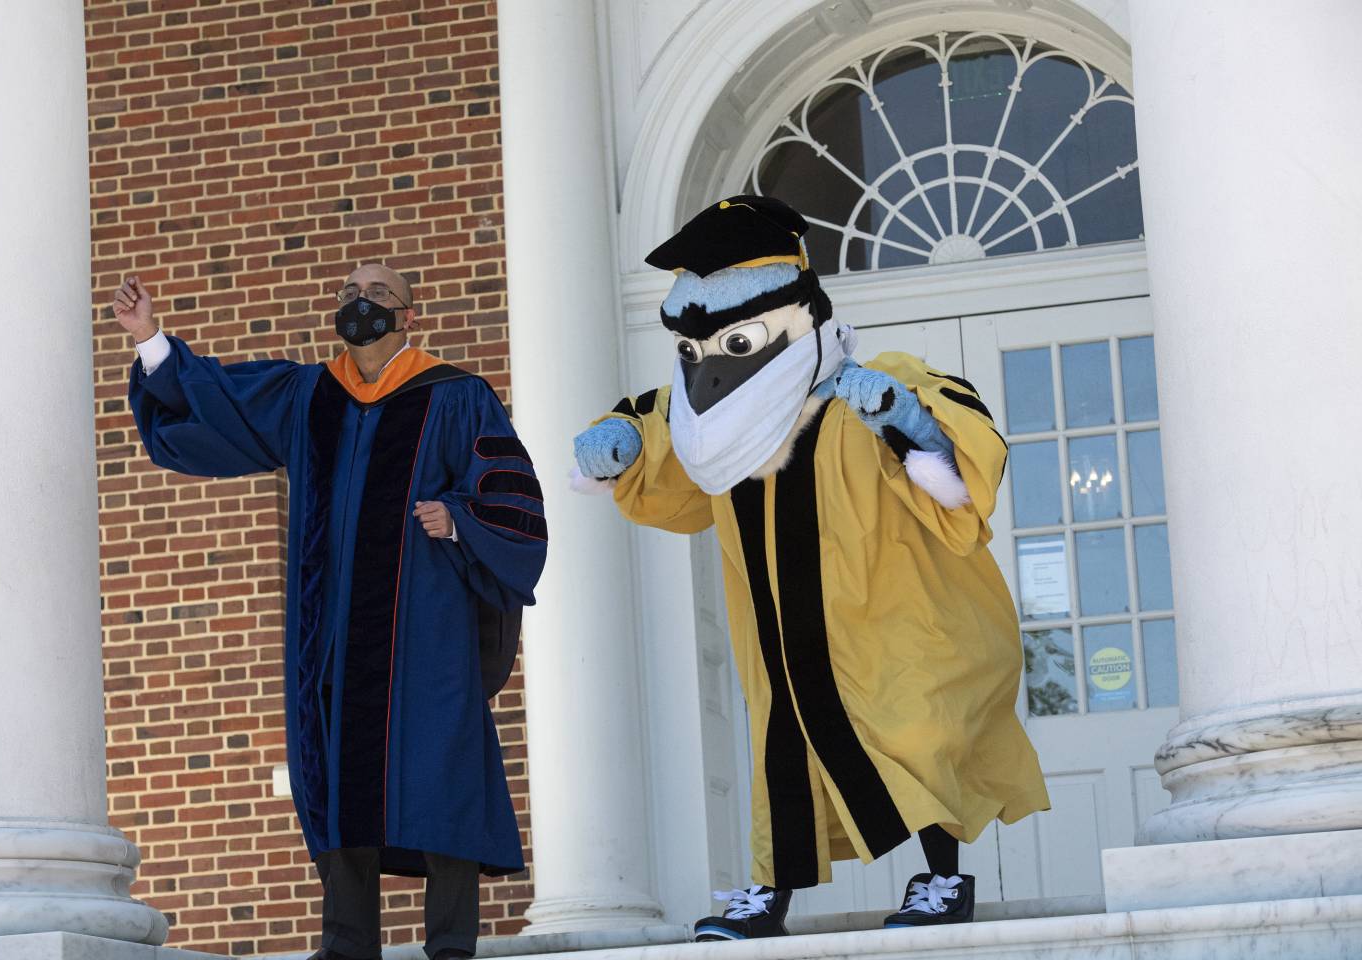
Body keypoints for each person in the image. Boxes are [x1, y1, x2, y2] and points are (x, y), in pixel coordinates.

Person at [571, 196, 1048, 939]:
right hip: (779, 635)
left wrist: (905, 419)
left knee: (915, 735)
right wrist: (621, 444)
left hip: (889, 617)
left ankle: (942, 877)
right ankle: (771, 893)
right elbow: (665, 450)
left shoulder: (872, 384)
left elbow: (959, 452)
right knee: (781, 755)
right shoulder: (710, 424)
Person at [117, 264, 547, 960]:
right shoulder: (308, 394)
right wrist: (152, 340)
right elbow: (222, 399)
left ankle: (452, 946)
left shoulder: (458, 396)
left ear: (409, 315)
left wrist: (461, 518)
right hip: (335, 628)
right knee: (339, 768)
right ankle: (347, 943)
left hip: (425, 629)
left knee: (444, 771)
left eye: (379, 294)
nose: (361, 302)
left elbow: (511, 495)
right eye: (349, 292)